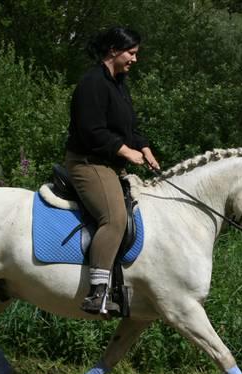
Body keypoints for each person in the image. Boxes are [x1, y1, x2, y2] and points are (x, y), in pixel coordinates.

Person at [64, 26, 160, 315]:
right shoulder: (92, 83)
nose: (134, 59)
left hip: (109, 164)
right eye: (131, 53)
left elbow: (128, 127)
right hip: (88, 163)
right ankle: (98, 291)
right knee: (115, 218)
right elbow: (92, 131)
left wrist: (143, 147)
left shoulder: (119, 83)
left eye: (136, 54)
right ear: (113, 51)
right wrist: (125, 151)